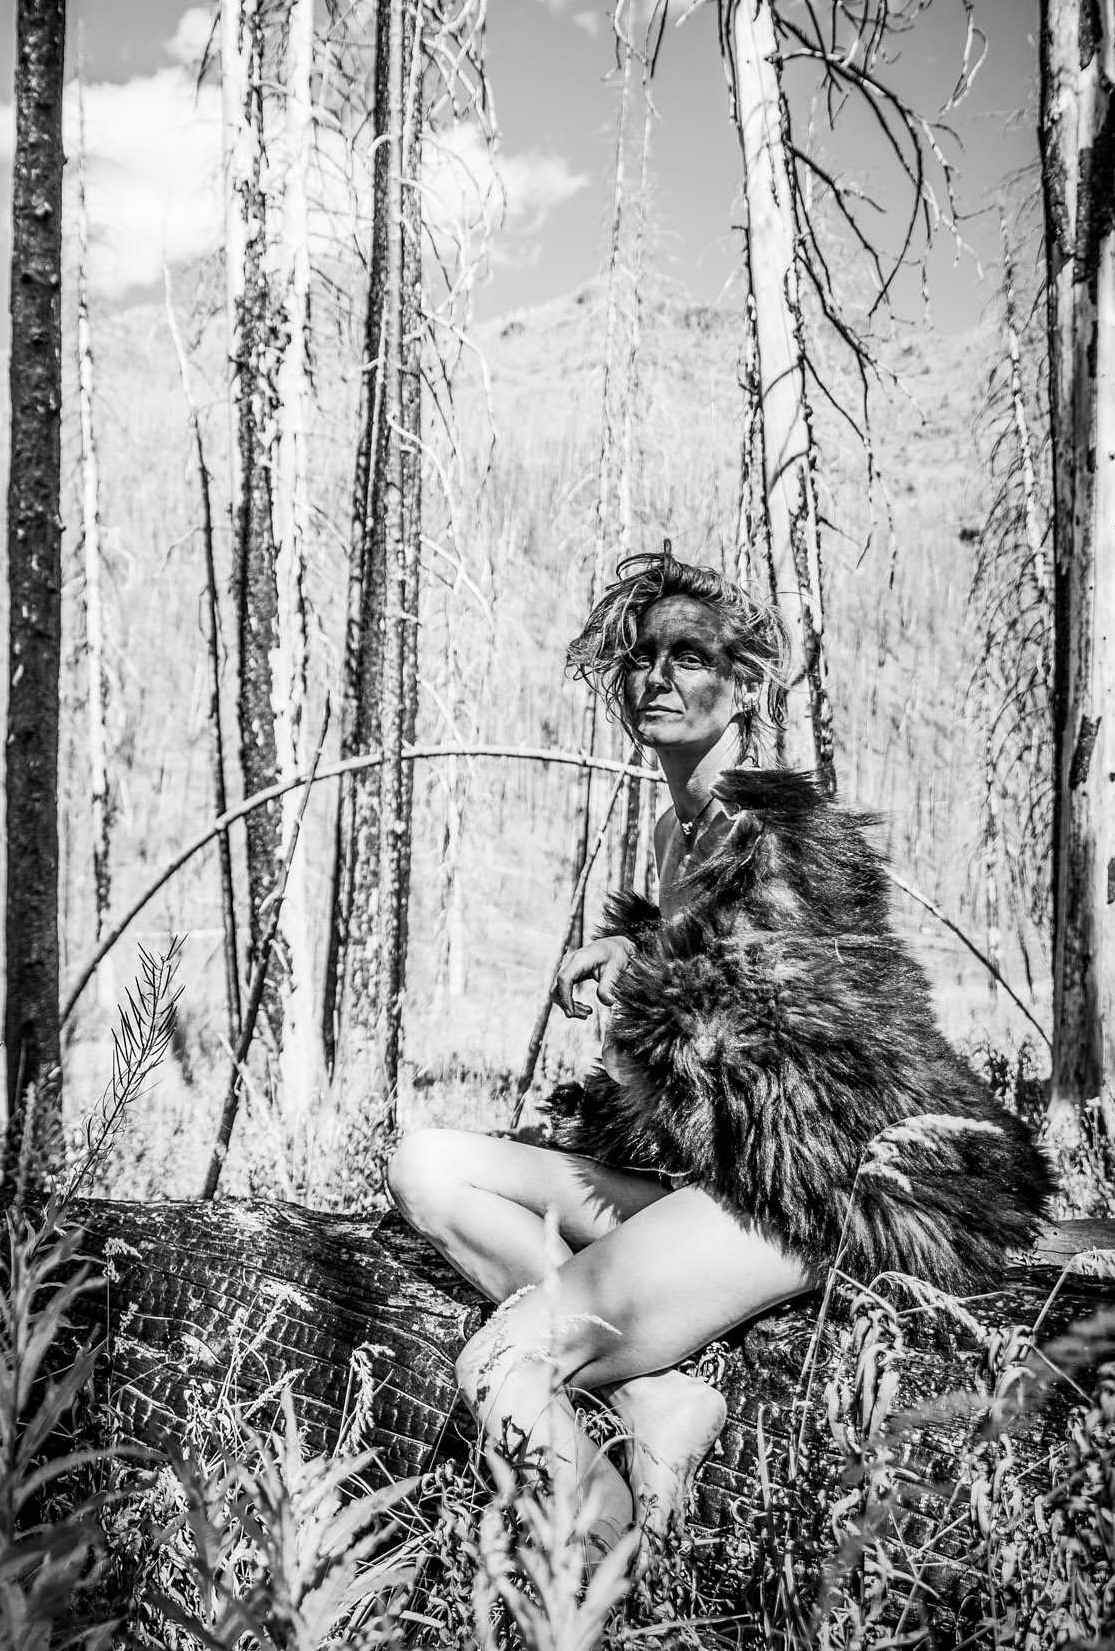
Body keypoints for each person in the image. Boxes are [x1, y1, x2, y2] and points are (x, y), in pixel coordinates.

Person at [386, 551, 1056, 1556]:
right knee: (426, 1164)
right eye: (641, 658)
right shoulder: (679, 829)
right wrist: (638, 949)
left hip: (806, 1189)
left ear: (743, 685)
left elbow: (799, 1052)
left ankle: (607, 1572)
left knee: (499, 1369)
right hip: (722, 1176)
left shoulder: (777, 834)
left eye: (689, 657)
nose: (657, 677)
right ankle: (652, 1393)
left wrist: (656, 989)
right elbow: (702, 967)